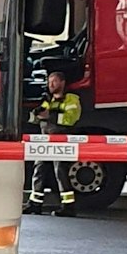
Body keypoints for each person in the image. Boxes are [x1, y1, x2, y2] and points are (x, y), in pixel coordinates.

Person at [26, 71, 82, 216]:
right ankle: (35, 204)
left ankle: (68, 206)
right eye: (49, 82)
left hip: (61, 140)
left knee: (61, 171)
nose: (50, 85)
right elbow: (34, 118)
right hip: (45, 140)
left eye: (54, 81)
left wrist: (49, 116)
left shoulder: (71, 99)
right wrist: (35, 114)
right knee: (39, 170)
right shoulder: (48, 100)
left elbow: (71, 119)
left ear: (62, 83)